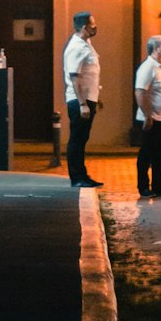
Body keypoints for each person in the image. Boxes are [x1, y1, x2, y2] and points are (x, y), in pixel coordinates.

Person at [63, 11, 103, 188]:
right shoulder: (77, 47)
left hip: (88, 98)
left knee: (82, 138)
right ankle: (77, 177)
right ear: (83, 27)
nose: (95, 27)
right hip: (79, 100)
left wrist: (95, 98)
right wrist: (82, 104)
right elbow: (75, 77)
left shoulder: (87, 44)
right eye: (92, 24)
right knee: (77, 139)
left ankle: (83, 175)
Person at [134, 34, 161, 198]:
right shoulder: (147, 67)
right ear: (155, 48)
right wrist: (147, 115)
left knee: (160, 153)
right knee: (147, 153)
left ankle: (158, 185)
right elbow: (140, 91)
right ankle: (143, 187)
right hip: (152, 119)